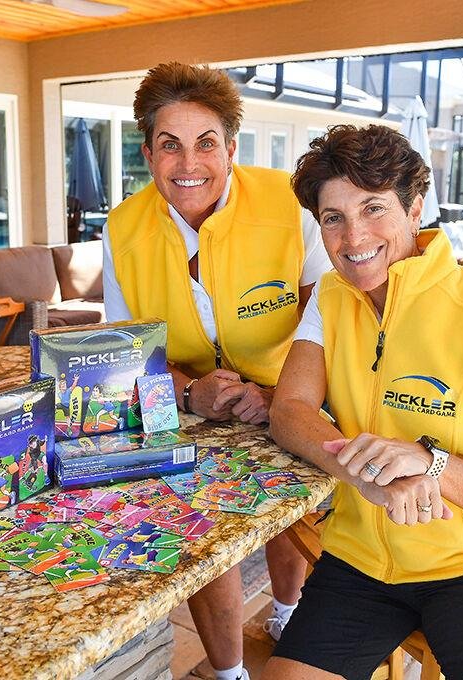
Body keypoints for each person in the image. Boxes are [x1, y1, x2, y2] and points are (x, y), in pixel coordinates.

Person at [264, 124, 463, 679]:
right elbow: (289, 410)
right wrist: (367, 473)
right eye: (333, 218)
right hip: (360, 564)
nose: (353, 238)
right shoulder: (329, 298)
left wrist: (430, 463)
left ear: (414, 208)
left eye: (374, 209)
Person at [103, 62, 332, 680]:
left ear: (231, 148)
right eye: (169, 145)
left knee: (287, 516)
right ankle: (228, 672)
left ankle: (287, 612)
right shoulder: (122, 229)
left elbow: (328, 323)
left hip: (288, 396)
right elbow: (128, 352)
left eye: (206, 143)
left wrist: (278, 395)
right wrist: (188, 394)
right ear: (148, 152)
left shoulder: (292, 208)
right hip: (189, 407)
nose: (188, 164)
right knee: (198, 532)